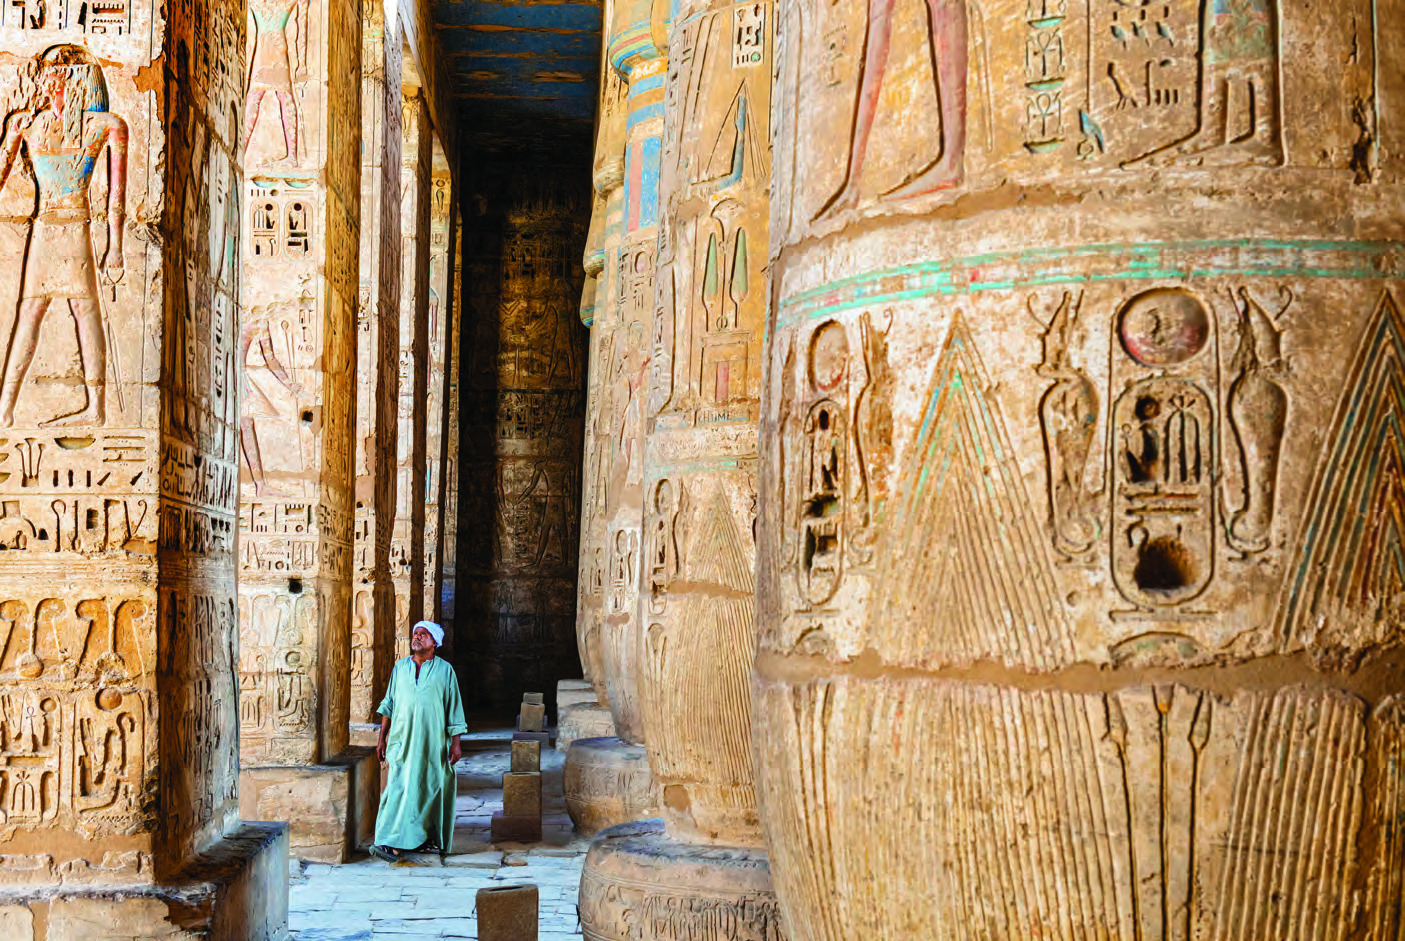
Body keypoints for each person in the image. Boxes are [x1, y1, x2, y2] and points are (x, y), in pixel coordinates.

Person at [0, 44, 128, 428]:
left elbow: (116, 197)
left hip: (76, 228)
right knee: (29, 313)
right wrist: (9, 143)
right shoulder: (26, 123)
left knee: (85, 312)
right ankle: (5, 410)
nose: (45, 82)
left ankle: (95, 409)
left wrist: (116, 248)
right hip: (44, 228)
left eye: (55, 75)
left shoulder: (107, 125)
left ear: (76, 81)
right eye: (45, 74)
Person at [369, 620, 466, 861]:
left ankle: (425, 840)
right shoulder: (400, 668)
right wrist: (382, 739)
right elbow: (388, 705)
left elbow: (454, 709)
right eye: (415, 633)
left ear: (435, 642)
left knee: (429, 788)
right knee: (397, 788)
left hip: (432, 742)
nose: (417, 637)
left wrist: (456, 743)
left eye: (423, 634)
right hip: (402, 740)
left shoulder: (445, 671)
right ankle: (388, 840)